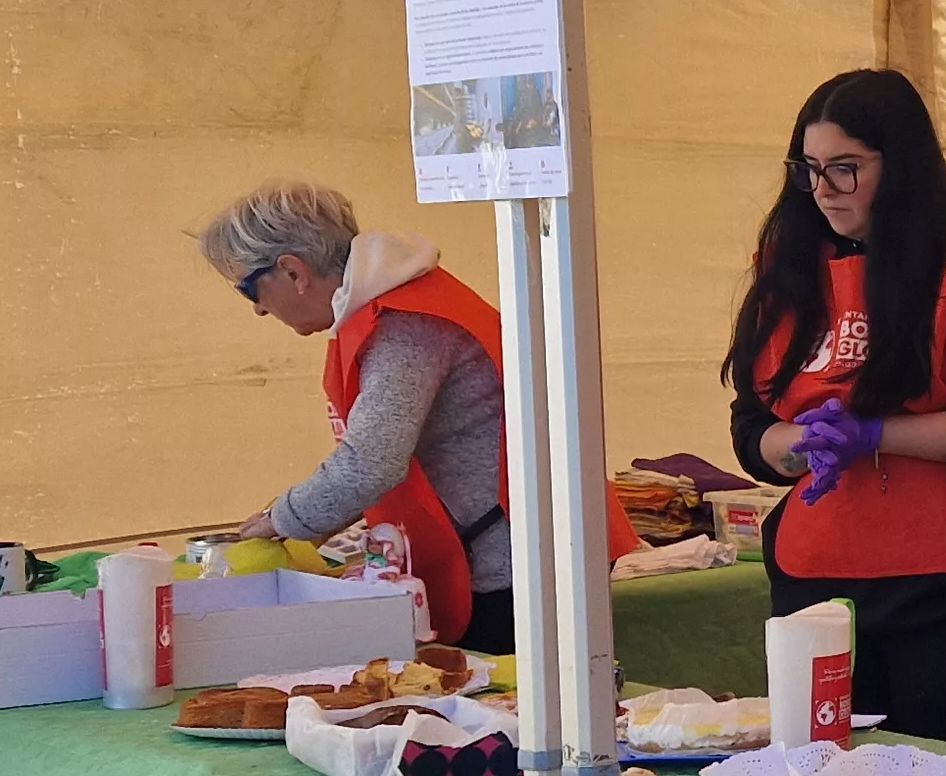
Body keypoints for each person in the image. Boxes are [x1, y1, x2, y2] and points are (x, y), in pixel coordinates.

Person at [722, 69, 946, 752]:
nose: (822, 192)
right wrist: (797, 444)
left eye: (845, 170)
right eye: (808, 170)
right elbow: (749, 421)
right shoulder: (788, 267)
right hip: (819, 589)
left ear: (900, 163)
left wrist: (873, 435)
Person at [196, 181, 628, 652]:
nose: (258, 309)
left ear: (293, 272)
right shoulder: (383, 311)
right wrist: (313, 521)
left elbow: (371, 462)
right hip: (508, 557)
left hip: (515, 570)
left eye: (248, 289)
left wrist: (279, 519)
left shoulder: (403, 324)